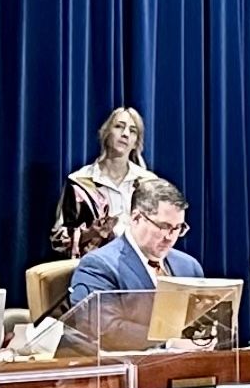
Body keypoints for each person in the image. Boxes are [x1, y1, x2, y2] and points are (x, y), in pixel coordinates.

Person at [64, 177, 205, 309]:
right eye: (163, 226)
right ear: (136, 218)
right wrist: (172, 336)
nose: (170, 237)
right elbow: (103, 326)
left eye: (178, 228)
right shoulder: (98, 267)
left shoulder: (189, 267)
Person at [52, 106, 160, 256]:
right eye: (119, 127)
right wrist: (90, 234)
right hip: (94, 268)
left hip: (139, 265)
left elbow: (161, 231)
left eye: (132, 130)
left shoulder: (149, 183)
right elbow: (58, 240)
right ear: (106, 133)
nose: (125, 134)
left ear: (136, 142)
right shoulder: (80, 182)